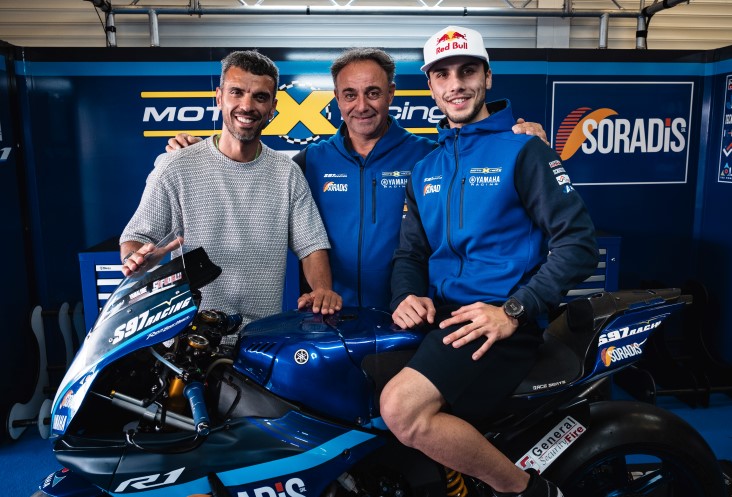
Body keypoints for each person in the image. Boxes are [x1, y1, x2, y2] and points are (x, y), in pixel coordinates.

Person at [379, 26, 598, 497]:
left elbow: (578, 244)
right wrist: (405, 295)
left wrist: (514, 310)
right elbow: (410, 253)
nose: (456, 84)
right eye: (442, 75)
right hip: (445, 319)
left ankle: (526, 491)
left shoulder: (525, 149)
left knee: (400, 408)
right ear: (431, 85)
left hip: (501, 322)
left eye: (467, 71)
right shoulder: (426, 167)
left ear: (488, 77)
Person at [166, 48, 549, 310]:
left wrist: (517, 136)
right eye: (349, 95)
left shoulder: (430, 156)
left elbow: (479, 154)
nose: (361, 106)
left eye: (373, 93)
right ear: (336, 98)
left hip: (412, 315)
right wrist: (201, 150)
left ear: (391, 94)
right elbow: (248, 170)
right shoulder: (308, 162)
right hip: (329, 318)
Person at [120, 50, 341, 325]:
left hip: (260, 337)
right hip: (191, 336)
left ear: (273, 106)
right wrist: (137, 259)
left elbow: (312, 246)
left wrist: (322, 290)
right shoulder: (175, 166)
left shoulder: (287, 173)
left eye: (260, 97)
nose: (247, 106)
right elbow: (136, 238)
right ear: (219, 97)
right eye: (236, 92)